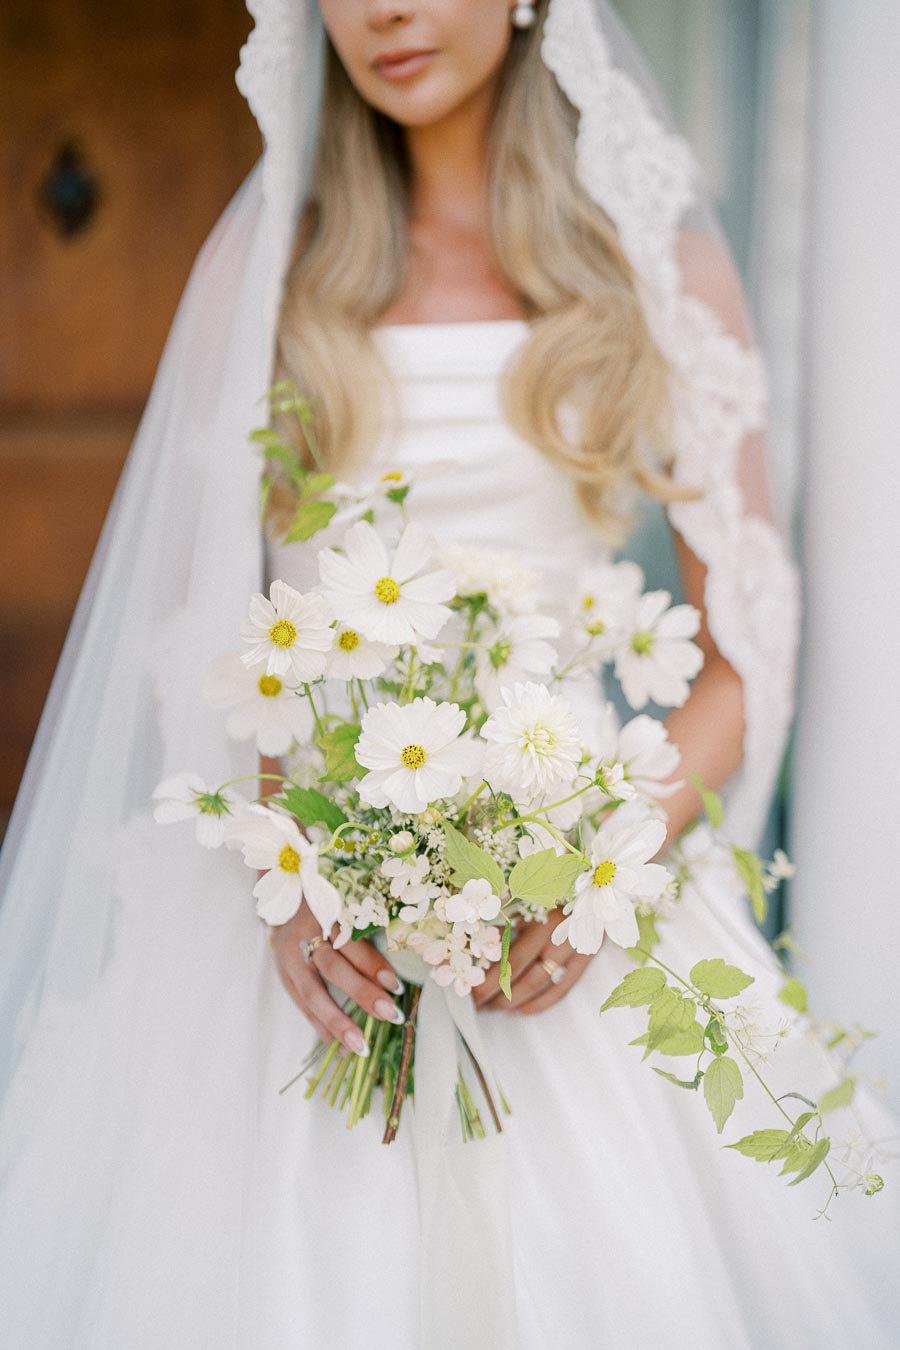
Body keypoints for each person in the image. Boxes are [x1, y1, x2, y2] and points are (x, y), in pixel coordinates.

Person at [0, 2, 897, 1347]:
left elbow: (745, 656)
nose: (384, 13)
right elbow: (202, 633)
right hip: (307, 911)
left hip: (584, 886)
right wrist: (288, 861)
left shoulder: (659, 273)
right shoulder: (272, 266)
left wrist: (600, 861)